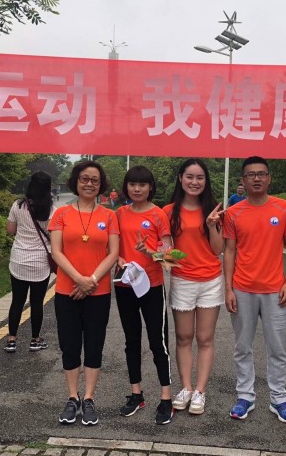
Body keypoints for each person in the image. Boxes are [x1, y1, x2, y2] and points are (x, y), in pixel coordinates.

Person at [223, 156, 286, 423]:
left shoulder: (283, 208)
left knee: (277, 348)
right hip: (242, 289)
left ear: (269, 178)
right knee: (242, 346)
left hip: (275, 290)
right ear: (243, 181)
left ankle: (279, 398)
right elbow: (229, 251)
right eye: (251, 175)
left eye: (261, 174)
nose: (256, 178)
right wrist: (228, 288)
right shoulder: (234, 212)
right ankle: (245, 396)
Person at [49, 160, 119, 426]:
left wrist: (91, 281)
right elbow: (57, 252)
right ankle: (72, 397)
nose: (89, 184)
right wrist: (79, 279)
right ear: (76, 182)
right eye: (84, 179)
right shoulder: (61, 213)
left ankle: (89, 398)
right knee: (69, 345)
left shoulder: (109, 216)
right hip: (66, 290)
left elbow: (113, 253)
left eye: (94, 180)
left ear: (101, 185)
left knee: (94, 344)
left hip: (98, 292)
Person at [163, 159, 225, 416]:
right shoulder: (168, 212)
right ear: (180, 178)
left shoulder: (213, 211)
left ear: (205, 181)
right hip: (182, 281)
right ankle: (186, 388)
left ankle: (200, 390)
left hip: (210, 281)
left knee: (205, 339)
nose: (194, 182)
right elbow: (166, 253)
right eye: (189, 176)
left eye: (200, 177)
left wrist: (211, 226)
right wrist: (160, 254)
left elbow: (218, 249)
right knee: (184, 337)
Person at [115, 165, 175, 425]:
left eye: (142, 184)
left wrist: (149, 252)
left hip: (151, 286)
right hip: (124, 286)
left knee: (157, 342)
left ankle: (166, 397)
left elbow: (171, 257)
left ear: (151, 187)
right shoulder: (120, 213)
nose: (137, 189)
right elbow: (112, 246)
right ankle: (136, 394)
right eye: (132, 184)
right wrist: (117, 258)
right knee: (131, 341)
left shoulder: (158, 215)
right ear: (126, 187)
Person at [4, 171, 55, 354]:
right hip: (39, 262)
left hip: (18, 260)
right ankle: (35, 340)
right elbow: (53, 236)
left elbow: (10, 230)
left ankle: (12, 340)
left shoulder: (18, 205)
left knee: (17, 301)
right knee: (37, 303)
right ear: (48, 188)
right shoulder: (51, 209)